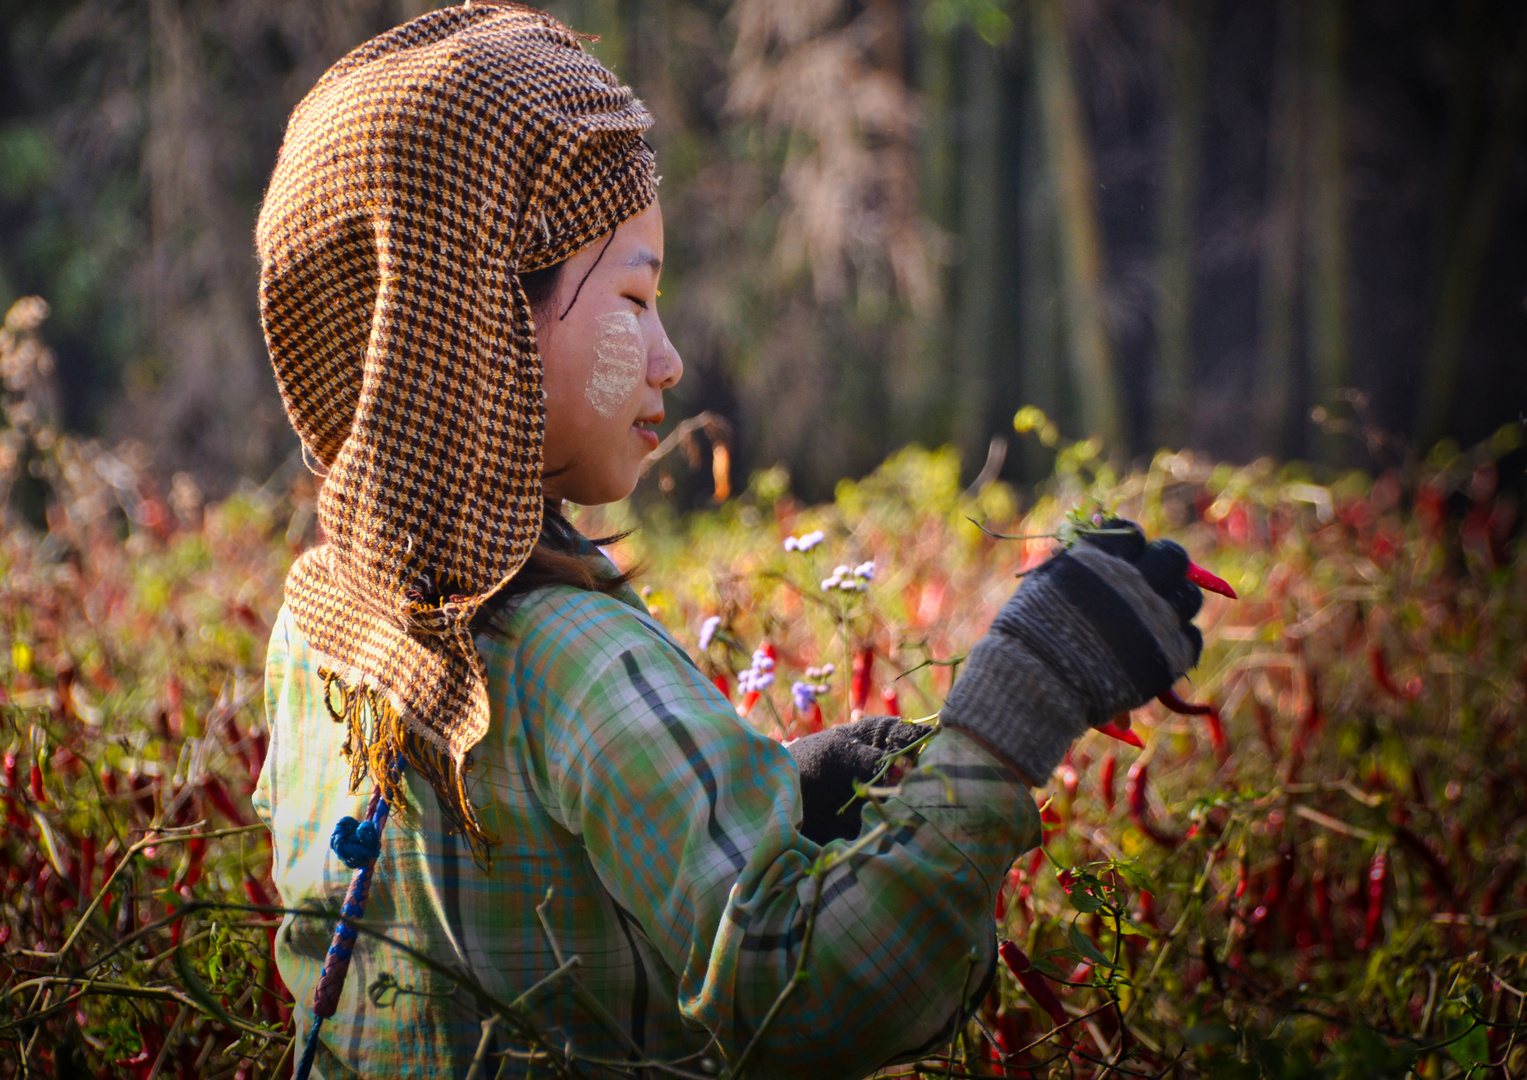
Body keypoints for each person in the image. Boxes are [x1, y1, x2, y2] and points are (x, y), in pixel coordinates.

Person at [251, 4, 1207, 1077]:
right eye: (633, 297)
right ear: (482, 323)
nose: (666, 361)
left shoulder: (318, 624)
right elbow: (807, 995)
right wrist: (1009, 716)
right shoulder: (571, 656)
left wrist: (775, 788)